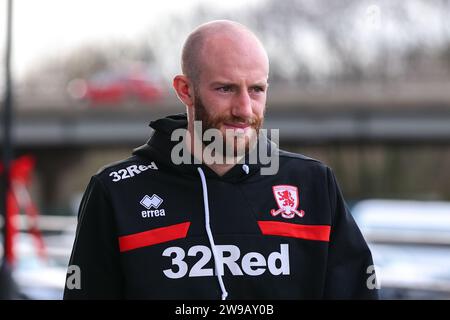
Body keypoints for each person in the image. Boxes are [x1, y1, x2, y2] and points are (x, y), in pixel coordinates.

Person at [64, 20, 378, 299]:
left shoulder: (314, 184)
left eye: (256, 90)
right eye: (226, 88)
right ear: (185, 90)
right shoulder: (115, 193)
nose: (244, 108)